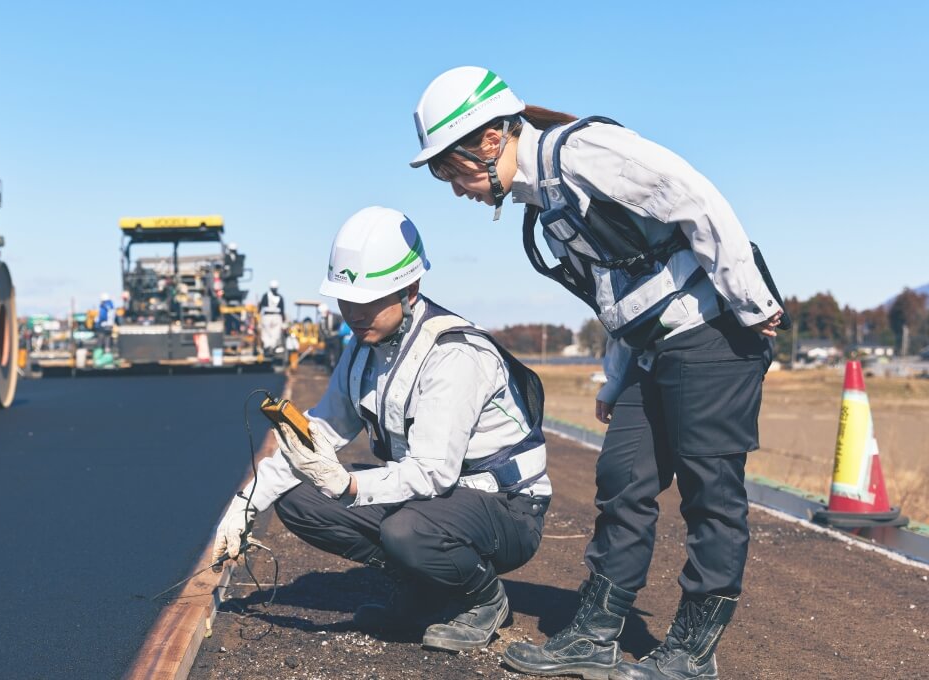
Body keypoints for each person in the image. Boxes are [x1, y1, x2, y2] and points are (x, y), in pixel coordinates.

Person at [408, 67, 784, 679]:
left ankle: (692, 654)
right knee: (622, 478)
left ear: (492, 139)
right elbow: (620, 295)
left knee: (710, 494)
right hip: (652, 351)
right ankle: (595, 634)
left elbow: (695, 196)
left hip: (713, 334)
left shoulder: (582, 152)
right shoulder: (546, 202)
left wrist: (752, 300)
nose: (455, 189)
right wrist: (616, 376)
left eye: (453, 170)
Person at [212, 207, 550, 652]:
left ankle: (482, 598)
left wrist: (349, 485)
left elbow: (432, 472)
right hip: (437, 501)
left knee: (406, 531)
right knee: (297, 498)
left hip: (505, 507)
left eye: (369, 301)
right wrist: (247, 503)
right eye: (345, 300)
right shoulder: (361, 350)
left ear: (410, 290)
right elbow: (318, 433)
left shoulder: (452, 355)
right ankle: (425, 587)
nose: (354, 313)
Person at [258, 280, 286, 355]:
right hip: (275, 317)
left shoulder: (265, 296)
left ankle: (269, 347)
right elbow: (282, 310)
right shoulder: (280, 297)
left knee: (269, 333)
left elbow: (260, 306)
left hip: (268, 317)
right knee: (272, 333)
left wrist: (258, 313)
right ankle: (270, 347)